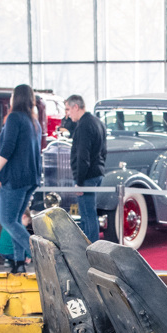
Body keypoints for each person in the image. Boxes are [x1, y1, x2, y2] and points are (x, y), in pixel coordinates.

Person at [0, 84, 42, 271]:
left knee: (8, 221)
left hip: (15, 178)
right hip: (30, 178)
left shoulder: (14, 118)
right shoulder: (33, 122)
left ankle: (39, 254)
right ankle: (18, 263)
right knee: (16, 221)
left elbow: (6, 149)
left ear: (15, 98)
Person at [64, 93, 106, 242]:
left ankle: (90, 248)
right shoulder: (97, 122)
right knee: (90, 214)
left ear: (76, 107)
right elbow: (104, 151)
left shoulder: (83, 126)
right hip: (97, 173)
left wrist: (80, 182)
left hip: (87, 177)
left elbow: (82, 156)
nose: (68, 114)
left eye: (68, 109)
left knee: (87, 216)